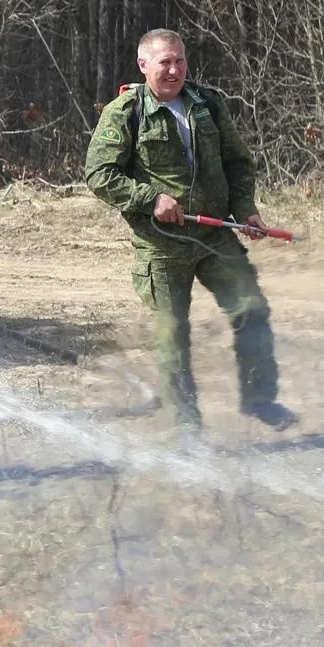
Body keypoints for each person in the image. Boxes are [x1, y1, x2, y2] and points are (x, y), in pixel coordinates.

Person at [84, 28, 297, 433]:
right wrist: (152, 199)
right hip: (161, 248)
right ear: (143, 65)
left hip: (215, 235)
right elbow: (99, 175)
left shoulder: (207, 104)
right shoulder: (125, 112)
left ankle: (261, 401)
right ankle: (187, 427)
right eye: (165, 62)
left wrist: (246, 210)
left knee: (251, 310)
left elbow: (237, 162)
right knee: (173, 338)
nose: (175, 69)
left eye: (180, 60)